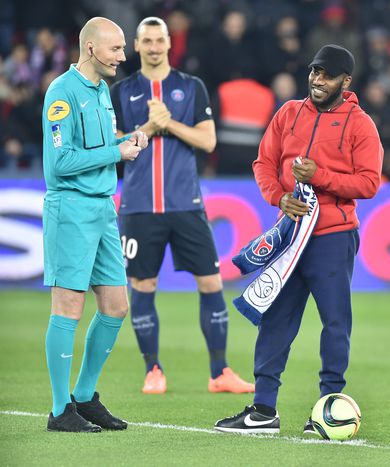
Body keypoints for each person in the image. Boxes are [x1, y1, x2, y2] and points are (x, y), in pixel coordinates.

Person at [214, 44, 384, 435]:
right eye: (314, 71)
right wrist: (279, 197)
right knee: (276, 320)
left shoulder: (360, 124)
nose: (317, 80)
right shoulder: (288, 113)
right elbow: (263, 163)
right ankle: (263, 411)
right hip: (290, 237)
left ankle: (327, 409)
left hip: (332, 238)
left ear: (345, 81)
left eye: (327, 74)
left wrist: (319, 176)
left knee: (335, 322)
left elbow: (369, 183)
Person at [110, 17, 254, 395]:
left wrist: (168, 123)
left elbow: (208, 141)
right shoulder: (121, 91)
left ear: (170, 43)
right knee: (143, 284)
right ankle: (153, 370)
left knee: (211, 282)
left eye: (160, 40)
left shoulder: (192, 87)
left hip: (186, 204)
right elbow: (114, 145)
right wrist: (150, 127)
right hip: (139, 206)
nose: (154, 47)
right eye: (147, 41)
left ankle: (220, 372)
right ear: (136, 46)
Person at [42, 17, 147, 432]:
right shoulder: (61, 93)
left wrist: (124, 142)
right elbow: (61, 162)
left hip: (103, 209)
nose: (123, 56)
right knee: (68, 306)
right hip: (71, 208)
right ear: (90, 48)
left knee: (116, 306)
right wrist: (116, 153)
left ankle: (84, 397)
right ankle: (59, 410)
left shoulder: (102, 90)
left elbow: (96, 148)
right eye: (116, 48)